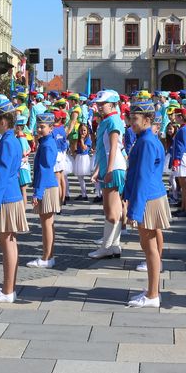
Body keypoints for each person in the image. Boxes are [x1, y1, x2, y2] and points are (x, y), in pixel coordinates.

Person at [123, 100, 172, 308]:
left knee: (149, 247)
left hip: (148, 198)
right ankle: (153, 290)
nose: (131, 123)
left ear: (147, 119)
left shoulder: (146, 142)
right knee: (150, 245)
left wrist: (134, 210)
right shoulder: (147, 139)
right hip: (150, 196)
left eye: (135, 119)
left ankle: (152, 295)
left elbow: (142, 177)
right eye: (131, 118)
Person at [0, 101, 28, 303]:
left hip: (5, 198)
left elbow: (1, 175)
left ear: (3, 121)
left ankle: (7, 290)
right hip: (11, 195)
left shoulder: (7, 143)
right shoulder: (13, 140)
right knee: (10, 242)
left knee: (7, 243)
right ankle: (9, 289)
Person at [88, 90, 127, 260]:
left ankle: (106, 247)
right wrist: (99, 170)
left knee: (111, 211)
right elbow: (104, 150)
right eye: (98, 103)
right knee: (113, 211)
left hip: (114, 167)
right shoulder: (108, 120)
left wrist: (109, 170)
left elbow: (113, 148)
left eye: (102, 103)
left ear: (112, 104)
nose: (99, 106)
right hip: (111, 167)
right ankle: (114, 246)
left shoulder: (112, 120)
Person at [28, 112, 62, 269]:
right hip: (47, 185)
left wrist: (38, 192)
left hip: (46, 186)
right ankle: (48, 256)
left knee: (47, 224)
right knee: (48, 224)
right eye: (38, 126)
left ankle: (47, 257)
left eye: (43, 127)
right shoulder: (47, 142)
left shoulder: (47, 145)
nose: (39, 129)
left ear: (51, 128)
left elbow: (45, 169)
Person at [71, 123, 93, 200]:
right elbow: (78, 149)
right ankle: (84, 194)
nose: (83, 132)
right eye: (81, 130)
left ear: (87, 131)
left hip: (84, 158)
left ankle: (99, 193)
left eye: (84, 130)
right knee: (80, 177)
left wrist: (81, 140)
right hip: (79, 157)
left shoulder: (88, 139)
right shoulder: (79, 139)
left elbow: (84, 148)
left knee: (90, 175)